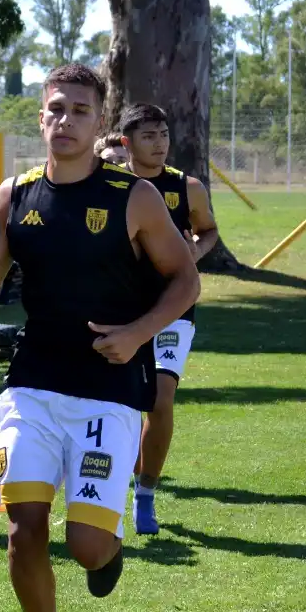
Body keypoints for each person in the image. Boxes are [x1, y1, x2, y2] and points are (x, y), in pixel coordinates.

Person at [0, 63, 199, 612]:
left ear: (99, 123)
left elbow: (185, 282)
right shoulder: (14, 196)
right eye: (55, 109)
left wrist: (139, 333)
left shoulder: (133, 197)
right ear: (40, 118)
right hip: (32, 386)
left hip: (110, 391)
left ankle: (105, 551)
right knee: (23, 527)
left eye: (80, 111)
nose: (65, 121)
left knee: (84, 546)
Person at [116, 103, 219, 534]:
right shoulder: (112, 187)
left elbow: (209, 230)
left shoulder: (186, 186)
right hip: (122, 309)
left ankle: (145, 496)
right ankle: (117, 478)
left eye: (163, 135)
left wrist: (194, 251)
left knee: (160, 400)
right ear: (127, 142)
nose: (159, 144)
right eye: (148, 137)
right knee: (121, 404)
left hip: (174, 310)